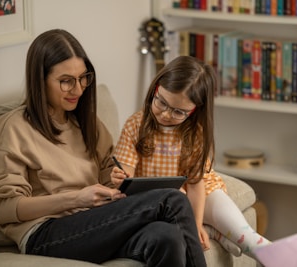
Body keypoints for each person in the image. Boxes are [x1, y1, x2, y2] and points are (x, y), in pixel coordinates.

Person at [0, 29, 207, 267]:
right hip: (45, 234)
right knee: (171, 199)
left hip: (93, 225)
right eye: (66, 81)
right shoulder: (14, 127)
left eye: (83, 78)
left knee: (166, 237)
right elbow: (3, 209)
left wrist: (118, 179)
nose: (78, 90)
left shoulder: (85, 123)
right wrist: (76, 199)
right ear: (40, 79)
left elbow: (108, 173)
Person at [112, 55, 271, 259]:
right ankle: (214, 232)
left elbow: (196, 186)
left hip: (201, 190)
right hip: (163, 198)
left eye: (178, 112)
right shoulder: (136, 124)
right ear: (155, 89)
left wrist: (195, 226)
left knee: (246, 236)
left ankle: (279, 256)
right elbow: (127, 172)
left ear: (195, 110)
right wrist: (120, 177)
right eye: (161, 102)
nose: (166, 114)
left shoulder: (195, 132)